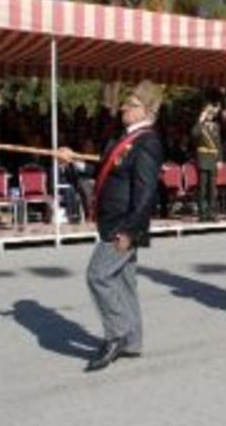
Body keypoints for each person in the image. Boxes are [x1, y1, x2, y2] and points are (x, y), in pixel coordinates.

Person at [57, 80, 164, 372]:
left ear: (148, 110)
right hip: (114, 221)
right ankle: (132, 341)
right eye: (125, 103)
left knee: (98, 275)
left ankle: (115, 335)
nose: (124, 108)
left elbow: (145, 193)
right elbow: (102, 168)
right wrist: (74, 160)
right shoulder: (124, 138)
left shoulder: (148, 142)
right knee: (123, 281)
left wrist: (130, 231)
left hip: (124, 225)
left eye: (131, 105)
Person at [192, 100, 222, 222]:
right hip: (203, 158)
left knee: (212, 189)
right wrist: (200, 120)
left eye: (211, 113)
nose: (210, 115)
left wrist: (220, 159)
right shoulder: (199, 126)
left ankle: (212, 213)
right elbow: (194, 134)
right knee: (203, 188)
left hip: (213, 159)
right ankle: (202, 213)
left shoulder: (216, 126)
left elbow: (219, 144)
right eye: (207, 113)